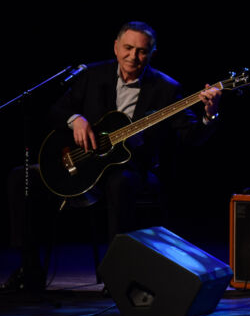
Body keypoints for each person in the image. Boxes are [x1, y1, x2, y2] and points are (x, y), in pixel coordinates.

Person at [2, 21, 222, 291]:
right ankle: (29, 269)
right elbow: (55, 111)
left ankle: (117, 273)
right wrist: (76, 119)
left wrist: (210, 114)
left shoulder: (166, 88)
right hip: (82, 161)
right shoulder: (91, 75)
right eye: (128, 48)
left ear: (152, 54)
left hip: (133, 168)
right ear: (116, 47)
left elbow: (191, 136)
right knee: (20, 177)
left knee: (120, 182)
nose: (133, 56)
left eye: (142, 51)